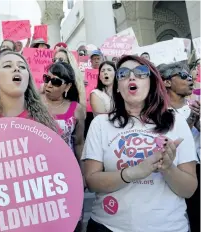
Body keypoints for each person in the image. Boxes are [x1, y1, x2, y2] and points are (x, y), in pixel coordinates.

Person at [83, 55, 198, 232]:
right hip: (109, 226)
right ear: (118, 88)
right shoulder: (100, 124)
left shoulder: (176, 121)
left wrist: (168, 168)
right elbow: (92, 181)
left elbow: (189, 189)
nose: (131, 76)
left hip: (169, 227)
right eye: (123, 73)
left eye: (141, 72)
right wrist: (132, 173)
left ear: (152, 82)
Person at [0, 50, 58, 133]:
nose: (17, 69)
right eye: (7, 65)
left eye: (22, 66)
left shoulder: (44, 119)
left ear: (28, 78)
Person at [42, 61, 86, 232]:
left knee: (69, 221)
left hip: (66, 175)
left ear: (67, 86)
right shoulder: (33, 105)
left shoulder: (77, 109)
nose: (49, 85)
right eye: (47, 79)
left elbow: (79, 143)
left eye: (56, 82)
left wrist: (83, 175)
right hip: (39, 175)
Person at [158, 62, 200, 232]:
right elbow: (170, 142)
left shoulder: (197, 105)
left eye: (190, 76)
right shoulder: (158, 112)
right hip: (170, 173)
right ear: (167, 82)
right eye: (183, 76)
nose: (190, 80)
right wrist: (190, 121)